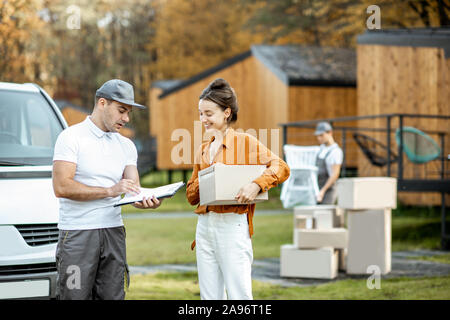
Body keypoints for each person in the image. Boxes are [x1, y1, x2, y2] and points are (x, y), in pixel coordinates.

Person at [52, 79, 162, 300]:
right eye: (121, 111)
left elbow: (133, 189)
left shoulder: (127, 146)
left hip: (114, 233)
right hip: (78, 234)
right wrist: (110, 191)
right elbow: (61, 186)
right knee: (74, 297)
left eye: (129, 112)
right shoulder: (71, 137)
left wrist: (147, 199)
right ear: (102, 103)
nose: (126, 119)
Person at [186, 78, 290, 300]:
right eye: (200, 113)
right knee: (209, 297)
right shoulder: (203, 150)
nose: (203, 119)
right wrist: (210, 179)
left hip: (232, 226)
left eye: (208, 114)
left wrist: (256, 184)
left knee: (239, 295)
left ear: (226, 112)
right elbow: (191, 196)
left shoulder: (245, 142)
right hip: (204, 227)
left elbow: (281, 167)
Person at [314, 121, 343, 204]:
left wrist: (323, 191)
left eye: (321, 135)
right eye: (317, 136)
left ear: (330, 133)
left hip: (328, 190)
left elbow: (335, 174)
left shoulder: (336, 152)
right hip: (318, 188)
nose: (319, 138)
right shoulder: (320, 149)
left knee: (325, 215)